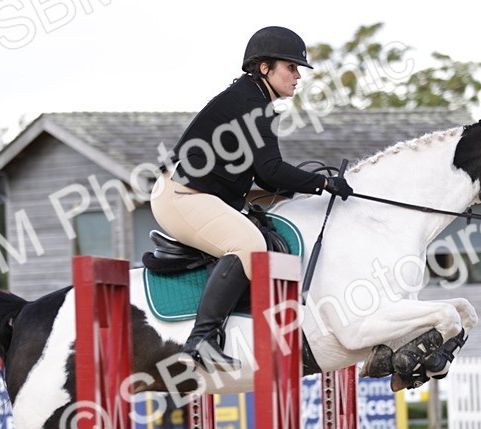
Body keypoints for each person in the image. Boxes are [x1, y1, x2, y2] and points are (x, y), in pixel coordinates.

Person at [150, 26, 353, 370]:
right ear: (264, 68)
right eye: (291, 67)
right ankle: (203, 339)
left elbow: (262, 176)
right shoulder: (253, 103)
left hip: (196, 191)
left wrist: (304, 188)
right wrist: (323, 183)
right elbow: (272, 170)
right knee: (249, 245)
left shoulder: (252, 98)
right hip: (182, 193)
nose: (297, 76)